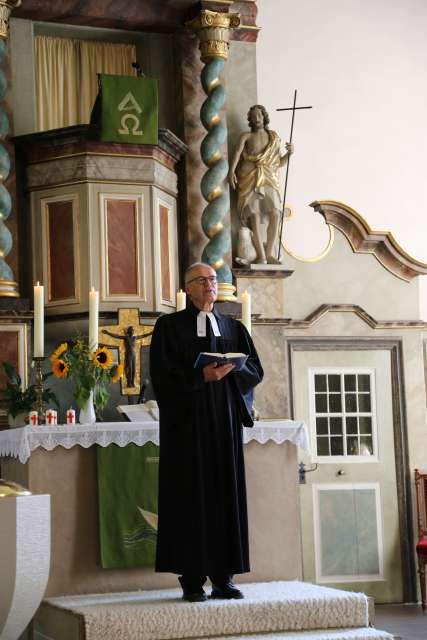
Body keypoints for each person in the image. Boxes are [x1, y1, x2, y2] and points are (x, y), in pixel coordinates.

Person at [149, 262, 263, 602]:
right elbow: (161, 376)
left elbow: (255, 369)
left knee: (224, 494)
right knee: (190, 496)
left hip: (224, 425)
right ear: (187, 287)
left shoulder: (233, 326)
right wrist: (201, 378)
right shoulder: (169, 327)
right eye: (202, 281)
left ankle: (224, 578)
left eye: (213, 280)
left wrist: (233, 370)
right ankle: (193, 580)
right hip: (187, 427)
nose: (210, 285)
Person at [229, 104, 293, 265]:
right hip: (249, 176)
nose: (256, 118)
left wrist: (289, 153)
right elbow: (237, 153)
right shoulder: (246, 136)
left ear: (264, 117)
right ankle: (261, 256)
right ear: (249, 120)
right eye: (253, 116)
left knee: (276, 213)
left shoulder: (273, 137)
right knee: (254, 216)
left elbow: (279, 163)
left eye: (259, 115)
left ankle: (269, 253)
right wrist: (231, 172)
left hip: (269, 177)